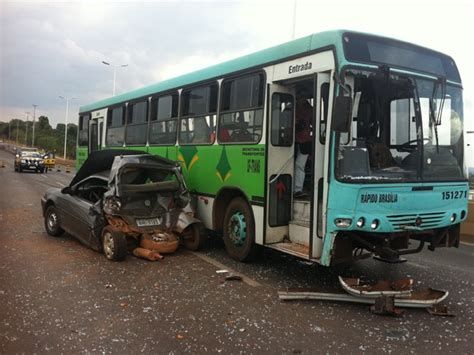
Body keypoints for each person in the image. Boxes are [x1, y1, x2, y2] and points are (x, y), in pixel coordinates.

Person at [294, 91, 313, 198]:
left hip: (304, 141)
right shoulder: (292, 106)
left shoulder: (309, 109)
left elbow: (313, 123)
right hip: (290, 141)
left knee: (299, 165)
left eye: (302, 96)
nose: (300, 98)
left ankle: (297, 189)